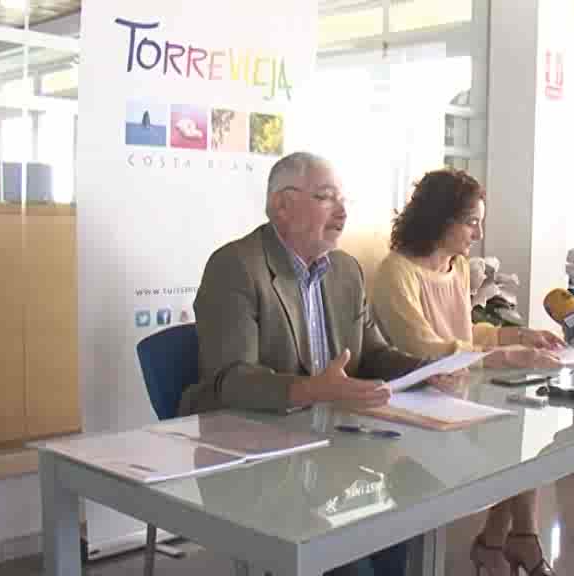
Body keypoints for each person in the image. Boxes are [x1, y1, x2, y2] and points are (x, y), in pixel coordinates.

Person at [179, 151, 424, 575]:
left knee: (407, 510)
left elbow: (373, 354)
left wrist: (430, 370)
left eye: (343, 200)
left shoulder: (346, 270)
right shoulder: (236, 266)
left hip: (334, 446)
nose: (343, 212)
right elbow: (231, 380)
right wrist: (315, 390)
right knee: (353, 549)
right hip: (257, 455)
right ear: (282, 205)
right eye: (327, 198)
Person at [371, 169, 563, 576]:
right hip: (417, 403)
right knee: (514, 443)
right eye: (471, 222)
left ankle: (504, 540)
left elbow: (464, 332)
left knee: (525, 433)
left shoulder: (457, 266)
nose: (478, 233)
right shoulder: (395, 272)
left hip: (461, 392)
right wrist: (508, 356)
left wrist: (519, 335)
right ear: (441, 219)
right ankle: (510, 541)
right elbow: (426, 349)